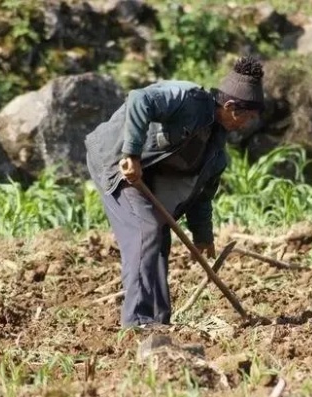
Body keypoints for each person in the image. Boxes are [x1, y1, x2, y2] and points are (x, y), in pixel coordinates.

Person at [84, 56, 265, 328]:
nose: (246, 124)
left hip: (145, 177)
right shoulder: (187, 99)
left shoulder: (216, 152)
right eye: (247, 117)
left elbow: (201, 196)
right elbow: (139, 99)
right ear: (231, 108)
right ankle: (137, 320)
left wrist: (202, 236)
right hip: (114, 161)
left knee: (158, 238)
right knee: (146, 231)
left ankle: (158, 320)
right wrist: (131, 153)